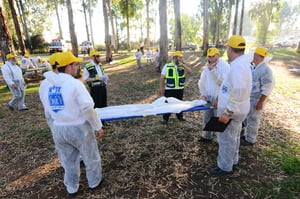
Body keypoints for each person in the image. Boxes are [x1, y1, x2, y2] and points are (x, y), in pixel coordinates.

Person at [39, 51, 105, 196]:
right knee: (90, 156)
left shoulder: (45, 85)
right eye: (75, 64)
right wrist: (97, 126)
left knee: (68, 161)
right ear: (68, 67)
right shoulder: (74, 84)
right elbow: (87, 107)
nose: (78, 67)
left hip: (59, 128)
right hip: (79, 128)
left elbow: (47, 110)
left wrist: (54, 127)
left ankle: (71, 187)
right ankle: (94, 182)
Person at [209, 35, 252, 176]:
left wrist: (228, 112)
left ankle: (225, 167)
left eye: (227, 48)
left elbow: (239, 91)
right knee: (234, 137)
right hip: (238, 110)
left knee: (226, 140)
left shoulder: (238, 66)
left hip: (232, 111)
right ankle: (233, 160)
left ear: (230, 49)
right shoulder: (241, 64)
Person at [241, 47, 275, 146]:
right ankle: (247, 135)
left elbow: (268, 87)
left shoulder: (266, 69)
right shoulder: (254, 66)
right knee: (247, 118)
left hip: (257, 99)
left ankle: (250, 139)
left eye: (257, 55)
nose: (254, 57)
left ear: (262, 57)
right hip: (250, 97)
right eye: (254, 55)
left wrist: (261, 102)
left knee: (253, 119)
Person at [198, 48, 230, 142]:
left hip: (219, 98)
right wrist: (203, 94)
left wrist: (219, 99)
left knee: (218, 119)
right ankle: (206, 136)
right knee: (207, 118)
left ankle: (221, 141)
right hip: (208, 97)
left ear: (218, 55)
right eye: (209, 56)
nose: (211, 58)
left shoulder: (225, 66)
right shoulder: (208, 66)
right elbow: (202, 81)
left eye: (213, 56)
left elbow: (224, 84)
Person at [159, 51, 192, 124]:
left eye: (181, 57)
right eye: (179, 57)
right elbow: (162, 77)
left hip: (180, 89)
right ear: (175, 58)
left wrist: (183, 65)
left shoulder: (183, 65)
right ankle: (165, 118)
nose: (181, 59)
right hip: (169, 89)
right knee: (167, 104)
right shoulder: (167, 65)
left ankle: (180, 116)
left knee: (179, 103)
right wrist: (161, 88)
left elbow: (190, 72)